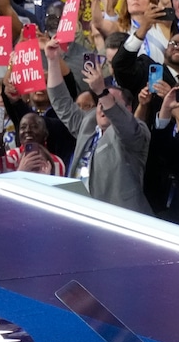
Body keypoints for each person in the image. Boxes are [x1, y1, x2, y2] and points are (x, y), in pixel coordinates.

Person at [46, 37, 152, 213]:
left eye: (110, 102)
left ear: (127, 108)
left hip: (119, 219)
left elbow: (124, 125)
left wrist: (102, 91)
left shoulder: (136, 132)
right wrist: (52, 60)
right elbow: (61, 103)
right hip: (79, 212)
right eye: (100, 104)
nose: (103, 107)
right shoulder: (88, 124)